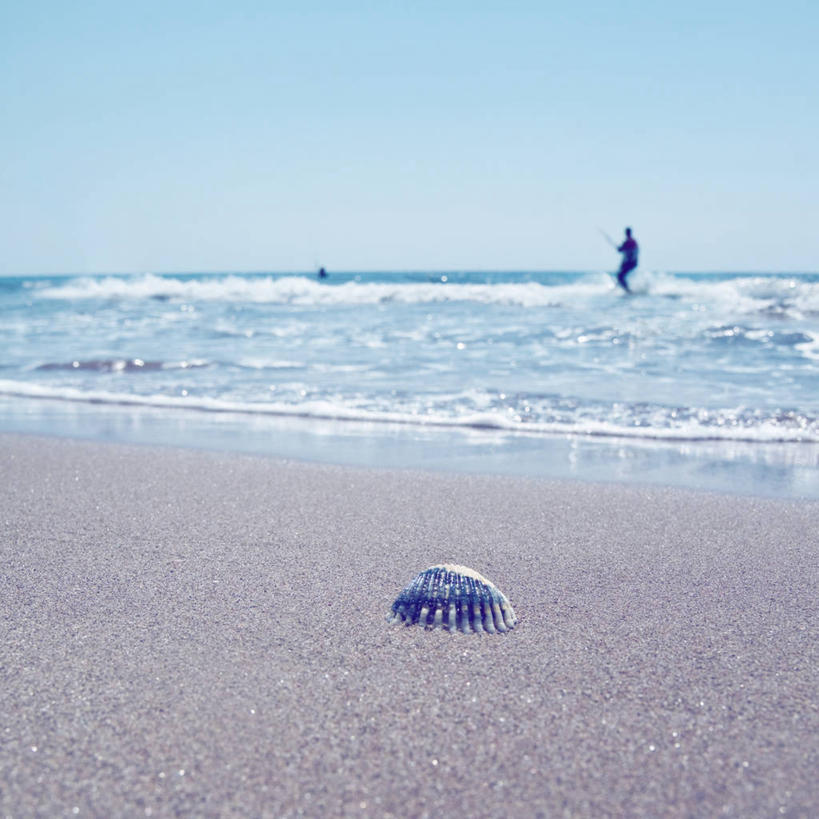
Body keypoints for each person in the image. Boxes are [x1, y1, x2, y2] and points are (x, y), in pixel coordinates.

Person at [616, 227, 638, 292]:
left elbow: (621, 249)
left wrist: (620, 248)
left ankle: (628, 290)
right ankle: (624, 288)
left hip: (630, 262)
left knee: (620, 276)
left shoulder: (629, 241)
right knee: (620, 275)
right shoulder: (631, 241)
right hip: (629, 262)